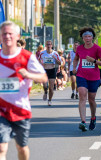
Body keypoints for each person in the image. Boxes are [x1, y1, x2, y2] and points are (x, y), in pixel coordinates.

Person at [0, 21, 47, 160]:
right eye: (4, 34)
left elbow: (43, 77)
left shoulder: (26, 57)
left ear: (17, 36)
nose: (7, 36)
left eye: (10, 34)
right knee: (1, 147)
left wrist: (28, 74)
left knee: (21, 147)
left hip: (21, 110)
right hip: (1, 110)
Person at [73, 27, 101, 131]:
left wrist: (94, 61)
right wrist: (74, 67)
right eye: (85, 36)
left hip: (94, 77)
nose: (87, 38)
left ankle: (93, 117)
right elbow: (76, 58)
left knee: (91, 99)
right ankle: (83, 121)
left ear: (92, 38)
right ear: (83, 38)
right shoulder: (79, 48)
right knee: (82, 95)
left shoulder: (97, 48)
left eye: (89, 36)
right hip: (81, 75)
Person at [39, 40, 61, 106]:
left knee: (51, 88)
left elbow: (60, 63)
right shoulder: (42, 53)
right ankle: (45, 92)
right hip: (45, 71)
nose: (48, 46)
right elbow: (38, 61)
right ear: (45, 46)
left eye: (50, 44)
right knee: (45, 86)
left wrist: (55, 59)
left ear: (51, 45)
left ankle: (50, 100)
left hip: (52, 70)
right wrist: (41, 63)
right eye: (47, 44)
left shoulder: (55, 53)